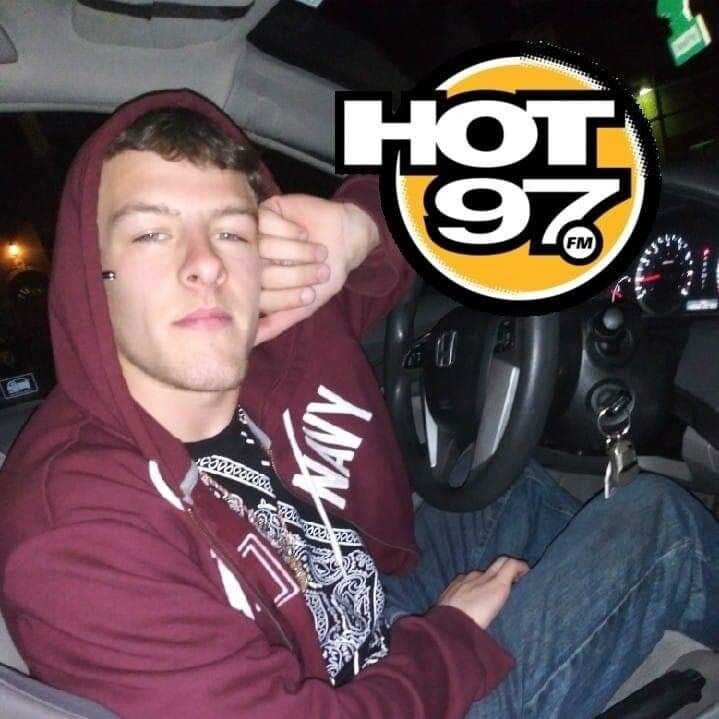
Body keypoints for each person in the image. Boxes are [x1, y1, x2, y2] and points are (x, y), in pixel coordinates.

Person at [0, 88, 716, 719]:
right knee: (658, 522)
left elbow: (469, 158)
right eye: (152, 233)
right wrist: (450, 636)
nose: (205, 263)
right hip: (353, 694)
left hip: (363, 618)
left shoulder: (266, 344)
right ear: (93, 273)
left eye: (231, 230)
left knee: (503, 487)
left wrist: (358, 230)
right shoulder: (76, 531)